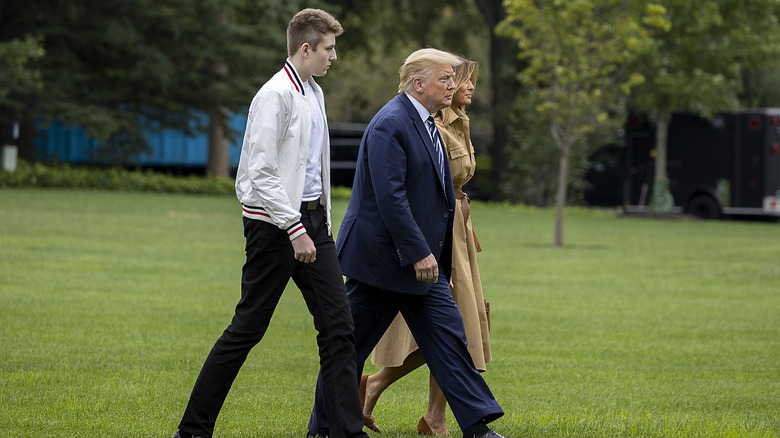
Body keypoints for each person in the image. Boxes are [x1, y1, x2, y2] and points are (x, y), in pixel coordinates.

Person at [173, 9, 368, 438]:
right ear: (305, 48)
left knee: (340, 329)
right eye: (329, 49)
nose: (334, 57)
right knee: (247, 328)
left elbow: (310, 169)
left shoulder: (314, 93)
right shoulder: (274, 95)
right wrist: (294, 228)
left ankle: (345, 432)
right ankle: (192, 431)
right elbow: (259, 171)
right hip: (276, 228)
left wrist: (318, 226)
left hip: (315, 224)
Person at [307, 48, 504, 438]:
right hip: (381, 264)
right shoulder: (390, 124)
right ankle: (323, 427)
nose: (453, 85)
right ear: (419, 83)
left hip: (423, 266)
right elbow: (390, 196)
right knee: (348, 348)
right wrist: (418, 252)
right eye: (445, 79)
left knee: (450, 340)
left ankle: (479, 428)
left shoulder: (428, 122)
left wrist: (437, 258)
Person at [361, 58, 488, 437]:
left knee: (458, 324)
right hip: (431, 234)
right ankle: (373, 390)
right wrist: (421, 248)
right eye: (456, 80)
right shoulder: (424, 124)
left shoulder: (460, 124)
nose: (464, 87)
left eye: (463, 80)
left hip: (457, 233)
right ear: (423, 84)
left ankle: (434, 415)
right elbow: (406, 188)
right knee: (448, 325)